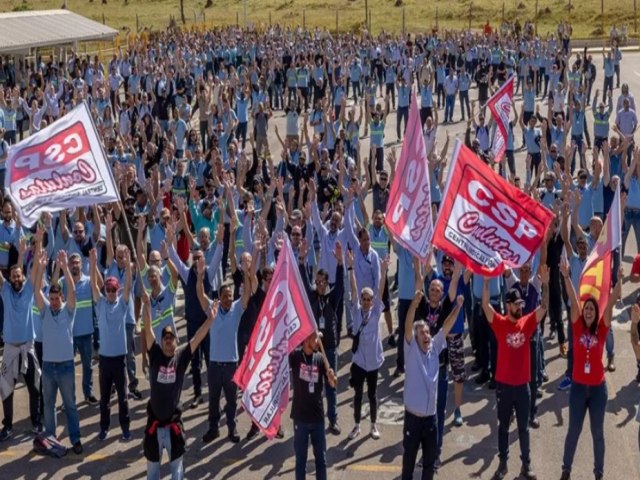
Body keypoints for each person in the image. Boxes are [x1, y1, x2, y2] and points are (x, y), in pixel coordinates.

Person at [142, 264, 219, 480]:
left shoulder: (181, 357)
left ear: (176, 342)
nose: (167, 342)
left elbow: (197, 338)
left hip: (174, 426)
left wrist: (211, 320)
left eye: (171, 339)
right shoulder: (155, 354)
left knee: (177, 474)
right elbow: (147, 330)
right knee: (153, 475)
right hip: (154, 428)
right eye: (165, 339)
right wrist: (146, 308)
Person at [482, 265, 550, 480]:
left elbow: (544, 306)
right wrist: (485, 283)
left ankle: (526, 465)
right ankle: (503, 464)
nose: (520, 306)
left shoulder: (527, 322)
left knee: (523, 429)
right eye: (516, 304)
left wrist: (546, 284)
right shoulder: (500, 324)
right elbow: (485, 305)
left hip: (523, 387)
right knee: (503, 428)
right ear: (509, 305)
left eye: (521, 303)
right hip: (503, 386)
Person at [559, 259, 622, 480]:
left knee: (598, 434)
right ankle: (566, 470)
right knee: (573, 432)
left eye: (591, 309)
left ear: (596, 313)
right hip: (577, 389)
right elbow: (574, 301)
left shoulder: (602, 329)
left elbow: (612, 302)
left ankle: (599, 473)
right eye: (586, 308)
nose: (587, 311)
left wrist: (618, 280)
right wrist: (566, 276)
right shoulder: (577, 327)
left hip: (597, 391)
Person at [401, 266, 464, 480]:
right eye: (423, 333)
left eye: (428, 332)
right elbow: (409, 325)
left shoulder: (436, 347)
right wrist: (413, 305)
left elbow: (445, 326)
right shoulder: (411, 350)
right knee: (408, 462)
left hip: (430, 421)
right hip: (412, 419)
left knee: (428, 466)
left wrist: (457, 308)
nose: (426, 335)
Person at [34, 250, 82, 454]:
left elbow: (72, 292)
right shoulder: (44, 310)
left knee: (70, 405)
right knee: (49, 406)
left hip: (65, 366)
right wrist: (43, 267)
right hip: (48, 366)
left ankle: (75, 439)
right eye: (51, 298)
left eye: (56, 298)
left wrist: (64, 268)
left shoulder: (68, 310)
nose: (53, 301)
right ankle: (51, 440)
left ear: (61, 297)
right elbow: (36, 291)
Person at [299, 239, 344, 435]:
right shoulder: (312, 297)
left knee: (331, 386)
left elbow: (341, 287)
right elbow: (302, 278)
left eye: (321, 282)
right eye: (316, 282)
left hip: (330, 348)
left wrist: (341, 263)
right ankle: (313, 419)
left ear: (326, 283)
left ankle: (333, 420)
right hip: (313, 349)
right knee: (313, 386)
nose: (318, 285)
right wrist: (302, 258)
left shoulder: (331, 299)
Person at [90, 247, 133, 442]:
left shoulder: (122, 304)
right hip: (105, 359)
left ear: (118, 290)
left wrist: (131, 265)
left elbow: (129, 286)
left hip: (119, 359)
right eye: (107, 290)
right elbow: (93, 284)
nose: (110, 293)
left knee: (123, 398)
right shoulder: (100, 304)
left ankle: (125, 429)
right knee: (104, 400)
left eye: (113, 290)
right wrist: (92, 263)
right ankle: (104, 428)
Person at [346, 250, 388, 440]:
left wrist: (385, 270)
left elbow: (380, 289)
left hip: (374, 363)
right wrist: (351, 267)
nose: (366, 302)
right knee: (358, 395)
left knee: (372, 395)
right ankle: (356, 425)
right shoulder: (356, 311)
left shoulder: (376, 311)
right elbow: (354, 288)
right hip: (360, 361)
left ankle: (373, 424)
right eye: (364, 299)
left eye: (369, 299)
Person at [0, 251, 41, 441]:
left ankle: (36, 422)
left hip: (27, 347)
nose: (17, 279)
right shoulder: (5, 290)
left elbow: (34, 269)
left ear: (23, 277)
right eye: (13, 276)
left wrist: (39, 241)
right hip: (9, 349)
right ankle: (7, 425)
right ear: (9, 278)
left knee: (34, 387)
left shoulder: (29, 289)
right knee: (6, 389)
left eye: (19, 275)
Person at [290, 330, 337, 480]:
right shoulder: (296, 357)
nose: (318, 341)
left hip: (317, 418)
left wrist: (332, 378)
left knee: (321, 460)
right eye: (315, 338)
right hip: (300, 418)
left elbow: (333, 384)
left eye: (318, 338)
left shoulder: (320, 359)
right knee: (300, 461)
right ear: (305, 340)